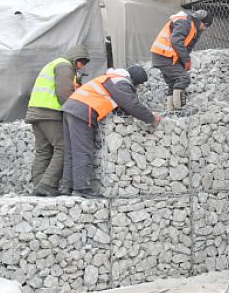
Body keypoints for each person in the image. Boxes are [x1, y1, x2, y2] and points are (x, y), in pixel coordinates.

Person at [61, 66, 160, 197]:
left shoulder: (110, 79)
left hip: (71, 108)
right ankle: (81, 189)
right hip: (83, 111)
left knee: (72, 151)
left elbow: (121, 105)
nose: (137, 88)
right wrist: (151, 118)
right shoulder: (121, 82)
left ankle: (67, 187)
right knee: (83, 150)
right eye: (139, 85)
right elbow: (131, 103)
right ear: (134, 81)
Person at [24, 45, 90, 196]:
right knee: (63, 147)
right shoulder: (65, 66)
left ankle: (39, 185)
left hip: (36, 111)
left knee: (44, 151)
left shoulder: (53, 64)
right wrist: (76, 111)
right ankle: (47, 184)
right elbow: (63, 93)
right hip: (49, 113)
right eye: (82, 62)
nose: (82, 66)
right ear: (76, 59)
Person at [150, 8, 209, 109]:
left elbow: (187, 47)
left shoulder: (193, 27)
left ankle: (170, 110)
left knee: (173, 83)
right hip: (164, 55)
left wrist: (183, 62)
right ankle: (178, 108)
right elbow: (176, 41)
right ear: (200, 21)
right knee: (184, 78)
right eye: (205, 25)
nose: (205, 28)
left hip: (164, 55)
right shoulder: (185, 22)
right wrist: (186, 60)